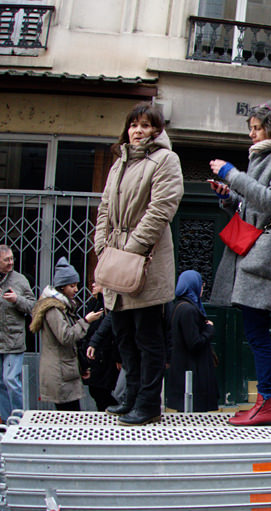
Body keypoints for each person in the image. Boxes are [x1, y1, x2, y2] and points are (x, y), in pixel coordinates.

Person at [208, 101, 271, 426]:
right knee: (256, 330)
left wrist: (232, 175)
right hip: (254, 247)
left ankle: (265, 400)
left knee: (257, 332)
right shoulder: (263, 156)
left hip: (264, 250)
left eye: (256, 127)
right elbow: (254, 204)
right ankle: (268, 402)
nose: (251, 133)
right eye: (250, 127)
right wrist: (228, 194)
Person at [95, 102, 183, 426]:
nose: (137, 131)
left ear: (157, 130)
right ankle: (129, 398)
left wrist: (131, 251)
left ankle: (148, 404)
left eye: (145, 125)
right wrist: (102, 249)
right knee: (123, 337)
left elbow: (161, 209)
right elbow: (104, 208)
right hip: (117, 261)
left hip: (145, 263)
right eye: (133, 125)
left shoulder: (165, 160)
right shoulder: (118, 163)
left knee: (148, 339)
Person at [29, 258, 103, 411]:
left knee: (71, 416)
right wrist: (85, 321)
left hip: (65, 371)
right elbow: (66, 337)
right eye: (72, 286)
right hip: (60, 374)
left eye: (76, 285)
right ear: (62, 287)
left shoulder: (62, 307)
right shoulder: (53, 309)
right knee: (69, 417)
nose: (76, 289)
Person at [165, 270, 218, 412]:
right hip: (192, 374)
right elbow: (194, 343)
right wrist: (209, 329)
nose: (202, 288)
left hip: (185, 369)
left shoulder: (179, 306)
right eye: (201, 284)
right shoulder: (188, 310)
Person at [0, 245, 35, 419]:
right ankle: (7, 421)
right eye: (6, 260)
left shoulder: (20, 280)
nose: (11, 262)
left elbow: (33, 306)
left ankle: (18, 419)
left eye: (12, 258)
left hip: (13, 339)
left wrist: (17, 300)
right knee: (0, 383)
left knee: (10, 380)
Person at [81, 281, 120, 411]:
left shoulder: (111, 306)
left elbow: (116, 333)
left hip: (108, 357)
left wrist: (118, 357)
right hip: (95, 356)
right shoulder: (94, 304)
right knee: (96, 391)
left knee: (103, 392)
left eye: (96, 282)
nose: (92, 285)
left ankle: (115, 413)